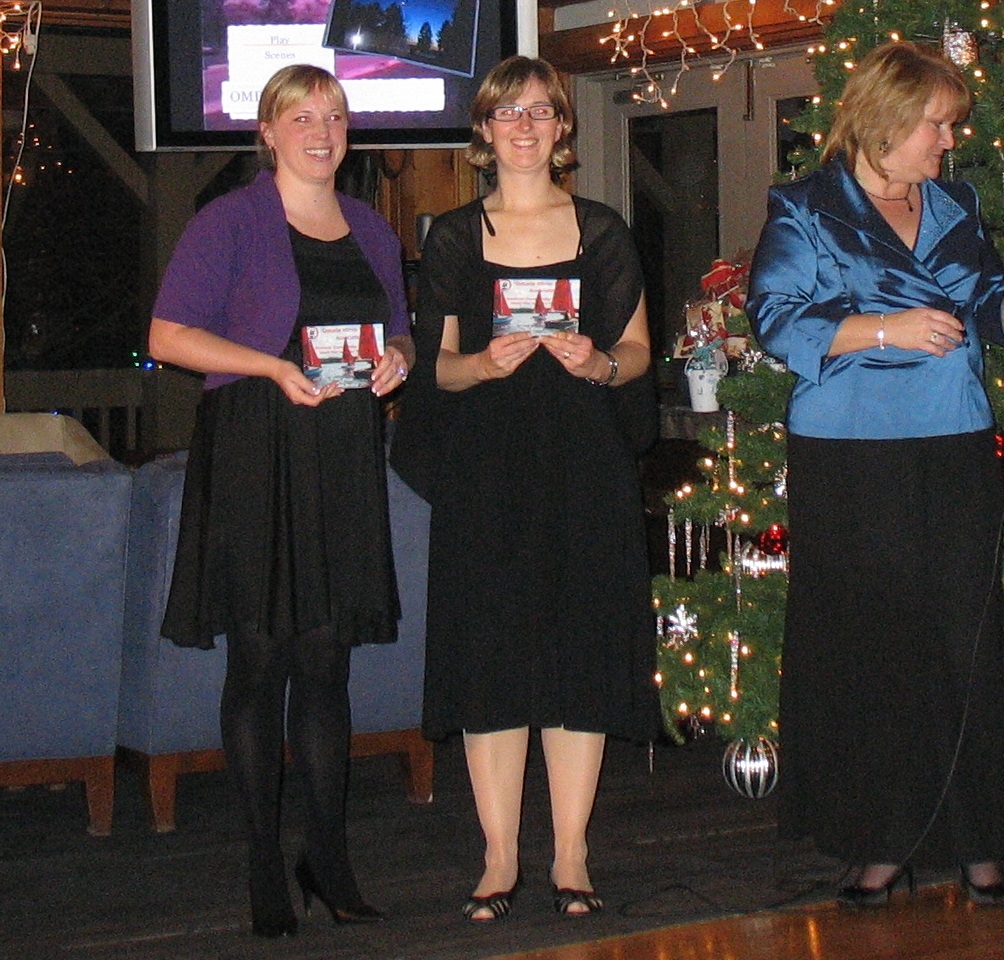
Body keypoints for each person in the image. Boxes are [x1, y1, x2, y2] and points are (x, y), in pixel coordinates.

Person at [745, 40, 1004, 908]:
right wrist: (887, 329)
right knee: (873, 641)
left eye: (949, 126)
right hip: (850, 448)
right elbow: (775, 321)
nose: (946, 142)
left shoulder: (956, 201)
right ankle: (882, 840)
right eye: (936, 124)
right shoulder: (805, 208)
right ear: (885, 120)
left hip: (952, 435)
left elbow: (984, 301)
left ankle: (979, 840)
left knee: (965, 633)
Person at [389, 55, 658, 922]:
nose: (526, 127)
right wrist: (483, 361)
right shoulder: (455, 239)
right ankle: (500, 853)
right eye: (509, 113)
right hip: (489, 476)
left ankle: (572, 851)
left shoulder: (606, 231)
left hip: (585, 470)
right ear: (484, 132)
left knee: (580, 654)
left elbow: (641, 355)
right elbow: (440, 372)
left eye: (541, 111)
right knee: (492, 659)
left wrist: (598, 360)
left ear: (561, 129)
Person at [148, 64, 413, 938]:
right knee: (259, 664)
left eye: (334, 114)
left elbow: (398, 334)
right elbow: (167, 334)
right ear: (266, 132)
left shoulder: (373, 228)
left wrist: (398, 363)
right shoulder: (228, 220)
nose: (320, 127)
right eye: (301, 114)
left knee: (329, 666)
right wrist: (269, 366)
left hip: (340, 459)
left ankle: (328, 856)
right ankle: (265, 858)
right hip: (258, 451)